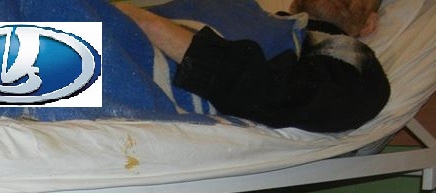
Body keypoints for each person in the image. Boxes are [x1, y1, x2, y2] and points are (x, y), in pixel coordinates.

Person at [116, 0, 389, 132]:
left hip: (117, 69)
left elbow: (277, 95)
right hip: (112, 35)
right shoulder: (247, 13)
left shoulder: (350, 61)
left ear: (369, 23)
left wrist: (148, 25)